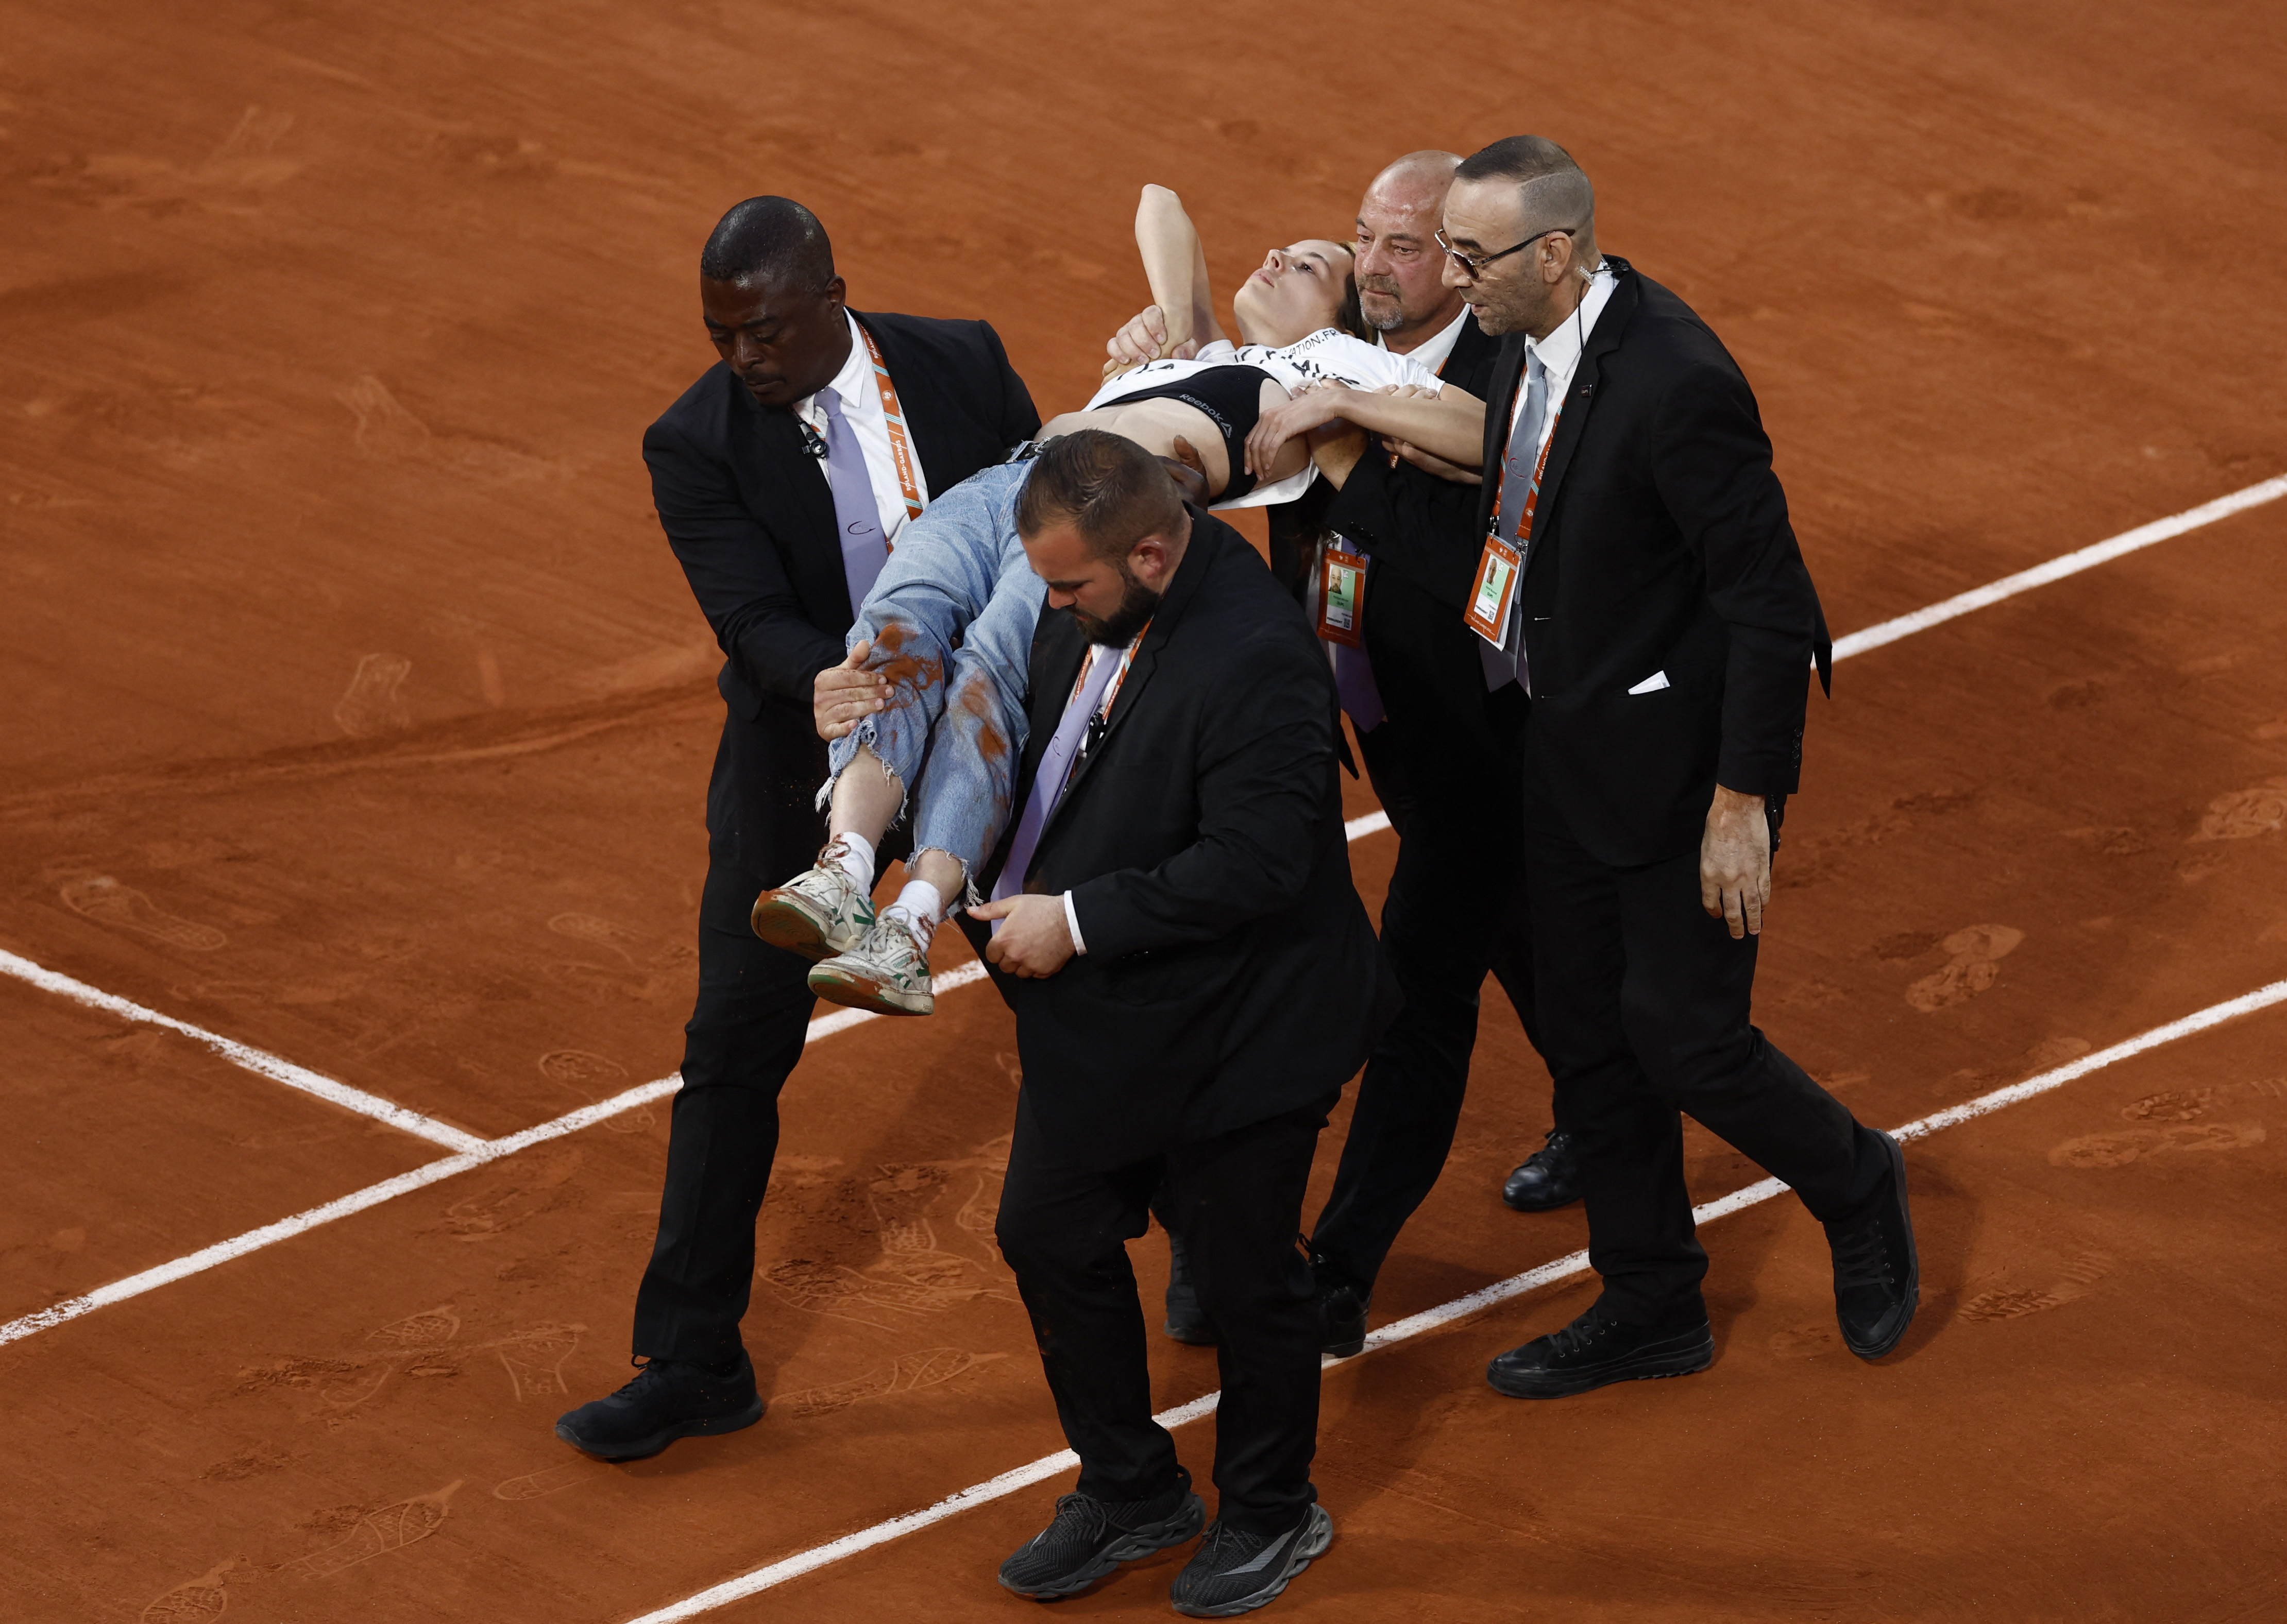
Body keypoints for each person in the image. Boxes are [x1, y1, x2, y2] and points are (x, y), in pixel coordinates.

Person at [551, 196, 1039, 1461]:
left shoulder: (963, 361)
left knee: (1094, 1002)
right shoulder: (694, 441)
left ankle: (1223, 1259)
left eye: (762, 330)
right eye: (720, 335)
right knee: (730, 1054)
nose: (740, 358)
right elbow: (746, 610)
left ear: (832, 296)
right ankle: (693, 1355)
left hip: (996, 749)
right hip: (800, 769)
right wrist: (819, 677)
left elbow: (1050, 525)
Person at [1433, 136, 1918, 1398]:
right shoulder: (1512, 336)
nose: (1454, 278)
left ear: (1556, 253)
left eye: (1472, 257)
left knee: (1687, 1040)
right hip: (1561, 743)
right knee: (1589, 1039)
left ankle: (1857, 1175)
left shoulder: (1678, 380)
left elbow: (1769, 601)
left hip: (1680, 774)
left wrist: (1744, 803)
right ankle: (1653, 1300)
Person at [754, 184, 1484, 1017]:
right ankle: (845, 865)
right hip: (1004, 485)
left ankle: (913, 923)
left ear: (1342, 318)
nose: (1278, 256)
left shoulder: (1337, 369)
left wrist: (1352, 398)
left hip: (1090, 521)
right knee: (891, 633)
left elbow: (1479, 431)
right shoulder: (1205, 351)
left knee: (985, 677)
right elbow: (1160, 204)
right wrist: (1175, 319)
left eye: (1314, 263)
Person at [1107, 153, 1577, 1360]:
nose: (1370, 264)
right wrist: (1180, 343)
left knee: (1411, 995)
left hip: (1494, 742)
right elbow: (1168, 204)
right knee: (1518, 936)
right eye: (1360, 236)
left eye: (1404, 247)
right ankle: (1601, 1099)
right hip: (1385, 734)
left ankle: (1340, 1264)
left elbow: (1451, 563)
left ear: (1465, 271)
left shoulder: (1497, 381)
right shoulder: (1302, 358)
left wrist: (1346, 411)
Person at [965, 431, 1393, 1616]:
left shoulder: (1256, 654)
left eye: (1069, 587)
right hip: (1112, 1013)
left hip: (1244, 1030)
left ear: (1150, 550)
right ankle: (1133, 1488)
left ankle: (1271, 1506)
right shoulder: (1092, 605)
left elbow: (1258, 861)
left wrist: (1080, 919)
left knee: (1251, 1279)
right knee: (1048, 1232)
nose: (1049, 607)